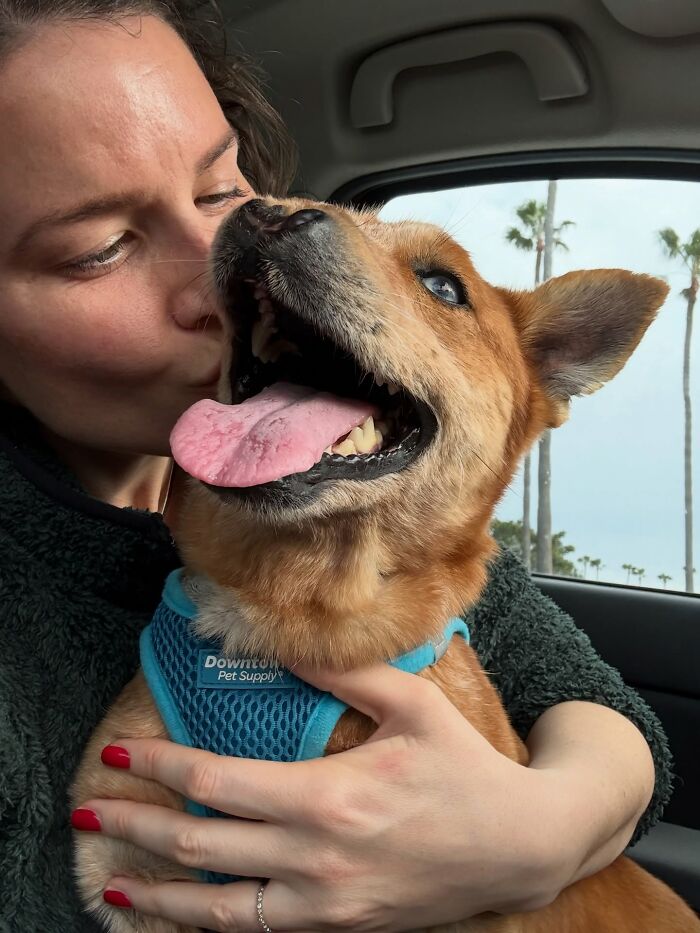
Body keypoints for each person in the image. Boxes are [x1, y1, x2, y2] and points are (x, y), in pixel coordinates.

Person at [0, 2, 673, 931]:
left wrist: (540, 833)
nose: (220, 268)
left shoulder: (399, 535)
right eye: (97, 249)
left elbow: (600, 711)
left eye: (220, 188)